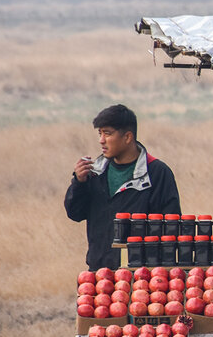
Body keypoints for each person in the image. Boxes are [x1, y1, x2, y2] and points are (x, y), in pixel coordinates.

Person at [65, 104, 181, 270]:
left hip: (142, 275)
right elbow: (75, 213)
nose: (101, 140)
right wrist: (79, 183)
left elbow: (171, 227)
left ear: (127, 137)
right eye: (100, 133)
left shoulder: (156, 173)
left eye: (108, 133)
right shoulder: (94, 172)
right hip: (100, 273)